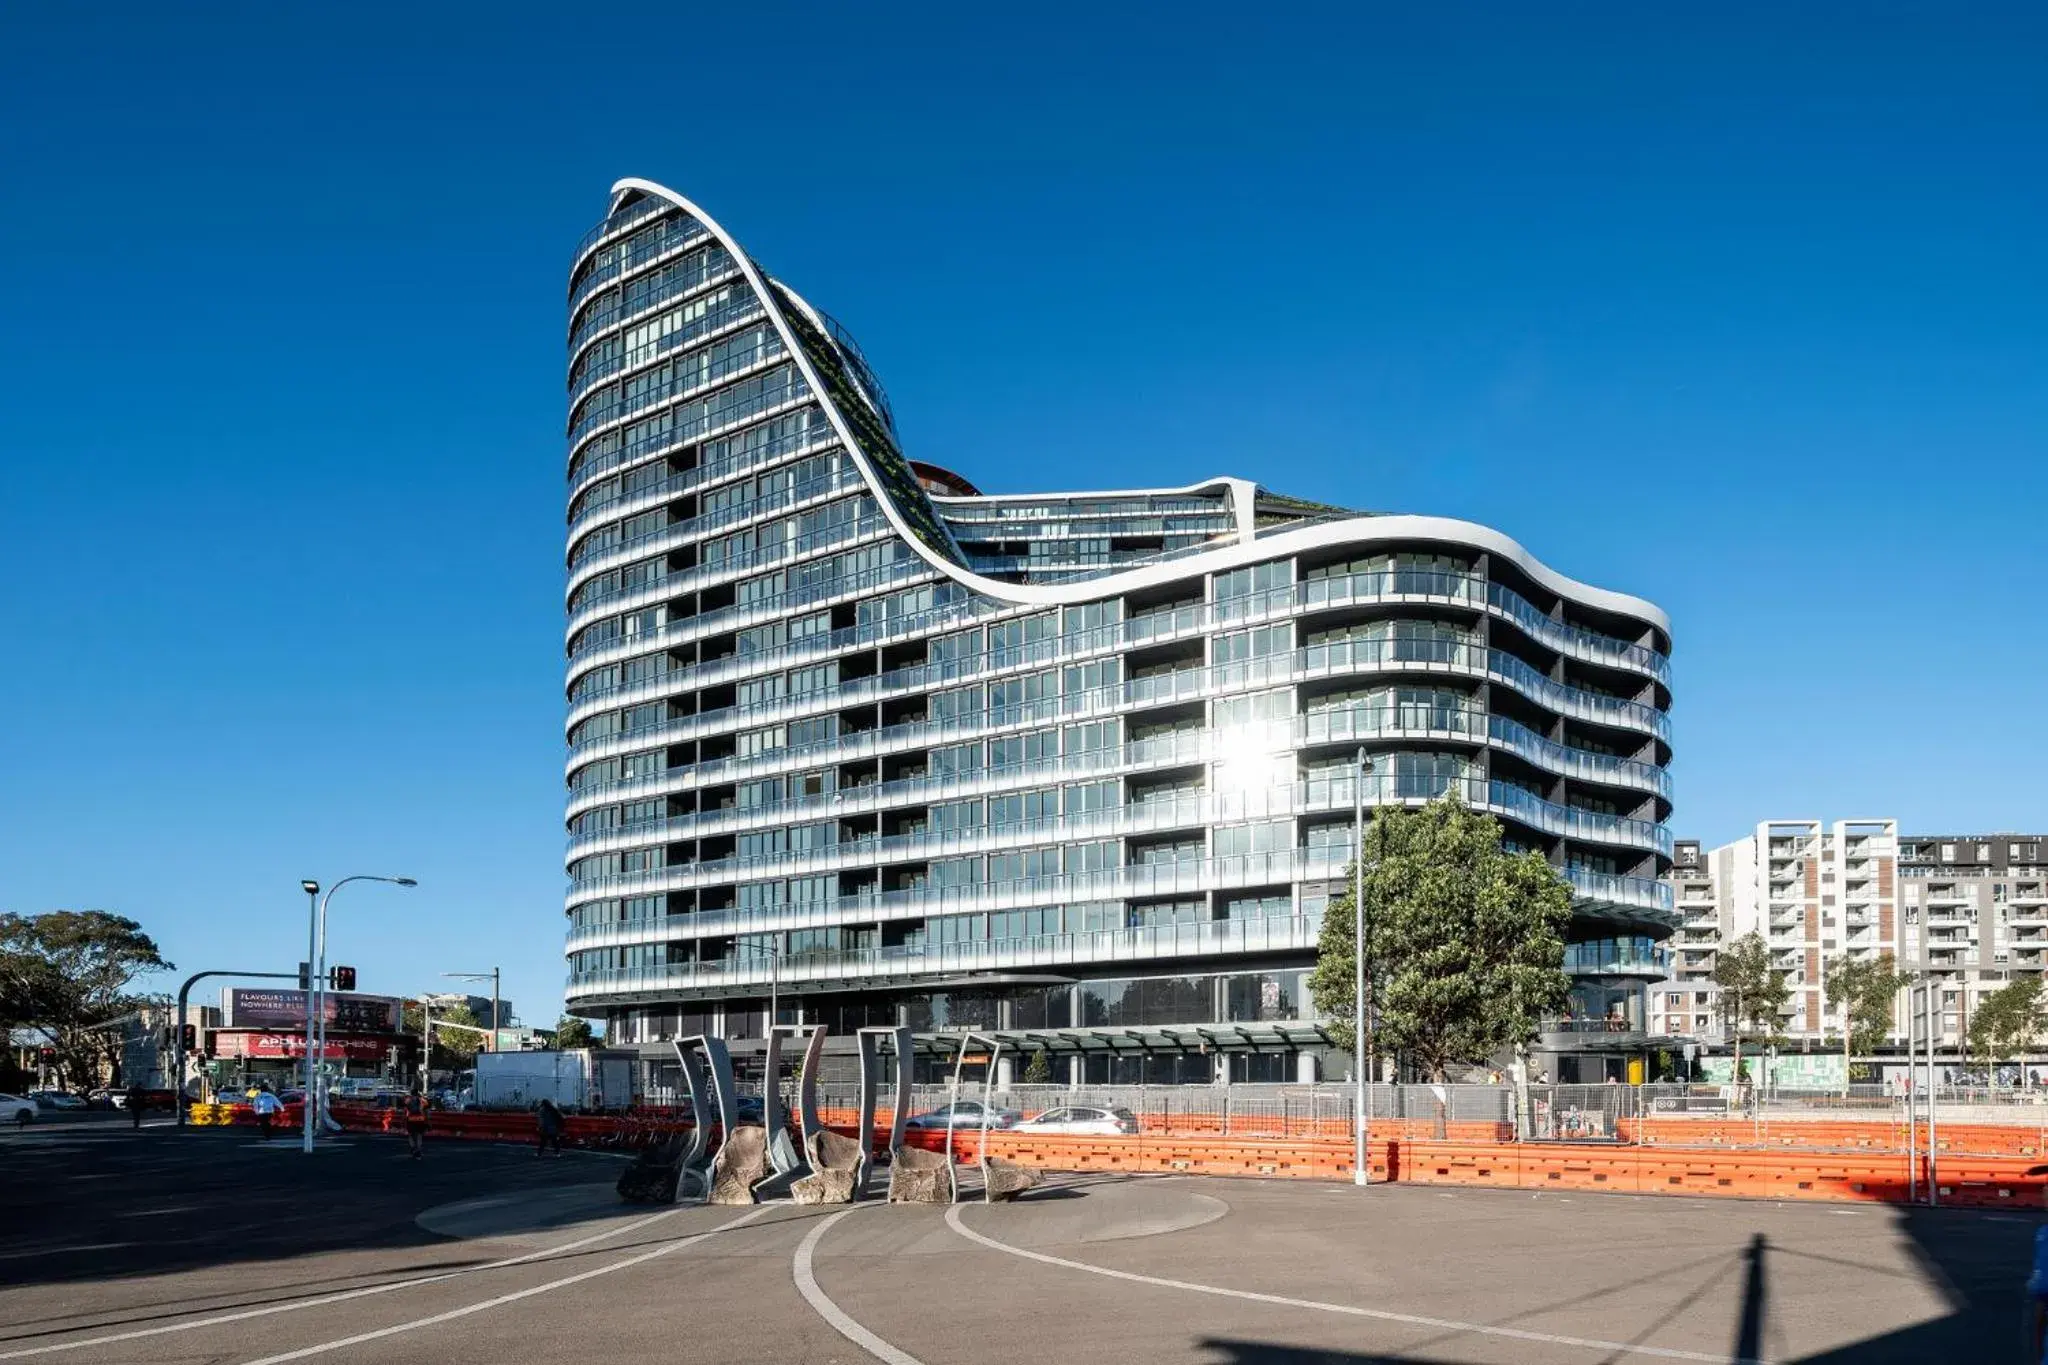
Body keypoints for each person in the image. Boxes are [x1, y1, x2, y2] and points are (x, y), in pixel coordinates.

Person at [402, 1089, 429, 1160]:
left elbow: (404, 1111)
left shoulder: (408, 1100)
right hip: (420, 1119)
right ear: (417, 1093)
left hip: (411, 1119)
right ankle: (418, 1150)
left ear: (411, 1093)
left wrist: (403, 1120)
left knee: (411, 1135)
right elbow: (427, 1112)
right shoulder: (423, 1100)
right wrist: (428, 1121)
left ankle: (413, 1148)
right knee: (419, 1136)